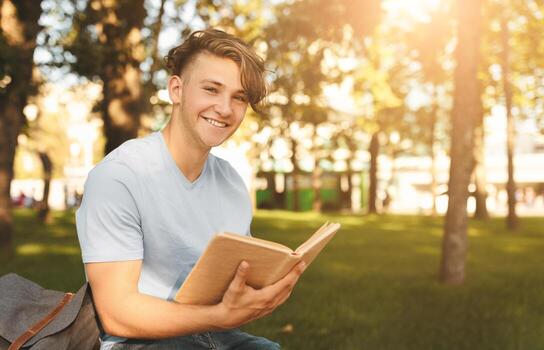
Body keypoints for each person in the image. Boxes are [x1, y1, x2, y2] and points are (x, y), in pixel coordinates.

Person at [75, 28, 306, 350]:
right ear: (176, 90)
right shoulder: (119, 176)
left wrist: (263, 291)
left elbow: (230, 288)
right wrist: (222, 316)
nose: (225, 109)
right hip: (138, 342)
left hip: (215, 334)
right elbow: (117, 314)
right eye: (211, 89)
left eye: (239, 97)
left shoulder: (230, 182)